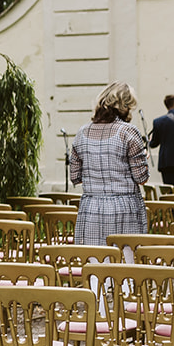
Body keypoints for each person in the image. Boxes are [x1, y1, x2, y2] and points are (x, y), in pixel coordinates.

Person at [70, 82, 150, 245]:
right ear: (125, 105)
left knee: (95, 263)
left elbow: (75, 177)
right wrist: (143, 159)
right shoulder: (129, 131)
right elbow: (141, 178)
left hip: (91, 208)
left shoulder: (82, 132)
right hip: (124, 208)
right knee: (125, 264)